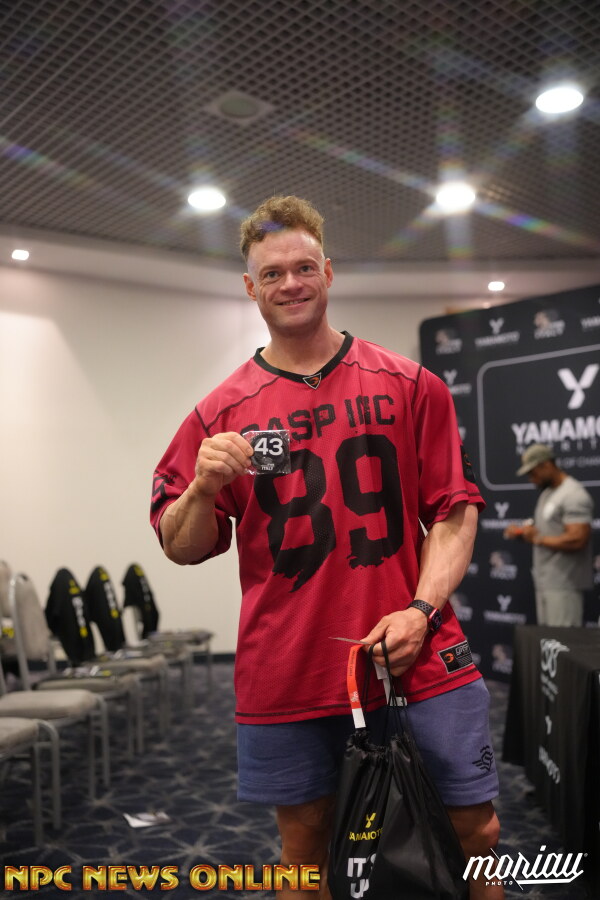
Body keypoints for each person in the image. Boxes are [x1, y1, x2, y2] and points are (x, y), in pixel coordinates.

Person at [151, 195, 502, 899]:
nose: (291, 283)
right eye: (272, 273)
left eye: (304, 267)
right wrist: (202, 488)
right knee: (306, 852)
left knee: (476, 832)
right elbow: (181, 547)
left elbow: (454, 512)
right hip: (289, 665)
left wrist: (421, 611)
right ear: (250, 287)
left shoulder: (410, 384)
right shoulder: (219, 413)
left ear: (328, 272)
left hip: (419, 653)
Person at [504, 442, 593, 627]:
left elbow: (578, 539)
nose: (531, 478)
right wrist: (523, 532)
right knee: (548, 641)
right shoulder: (548, 493)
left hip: (565, 585)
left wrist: (537, 538)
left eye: (533, 472)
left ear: (546, 464)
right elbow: (546, 529)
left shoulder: (574, 494)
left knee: (563, 641)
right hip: (545, 582)